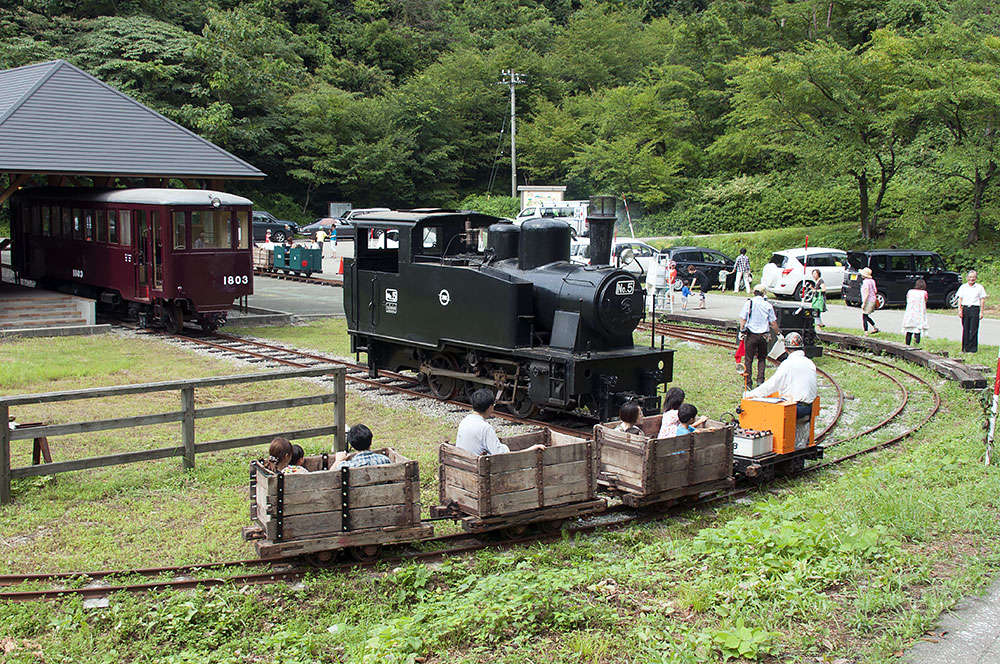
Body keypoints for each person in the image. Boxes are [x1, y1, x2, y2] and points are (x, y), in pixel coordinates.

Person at [745, 332, 817, 420]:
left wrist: (751, 394)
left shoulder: (788, 364)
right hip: (810, 406)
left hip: (796, 407)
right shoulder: (810, 363)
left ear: (785, 349)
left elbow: (772, 385)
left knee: (761, 413)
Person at [456, 389, 545, 455]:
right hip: (478, 469)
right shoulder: (485, 428)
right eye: (493, 405)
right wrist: (531, 449)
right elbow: (501, 455)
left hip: (466, 463)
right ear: (490, 407)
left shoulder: (464, 421)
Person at [739, 285, 781, 389]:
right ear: (763, 293)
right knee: (762, 358)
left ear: (754, 292)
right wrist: (778, 334)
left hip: (751, 335)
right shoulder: (767, 305)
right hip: (764, 335)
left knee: (748, 359)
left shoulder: (749, 303)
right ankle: (760, 381)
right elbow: (773, 322)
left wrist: (741, 330)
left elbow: (743, 319)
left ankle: (748, 382)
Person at [957, 270, 987, 353]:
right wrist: (960, 310)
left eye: (973, 277)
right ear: (967, 278)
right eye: (970, 277)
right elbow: (960, 299)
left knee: (973, 329)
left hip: (975, 309)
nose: (971, 279)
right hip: (966, 308)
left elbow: (982, 300)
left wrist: (981, 312)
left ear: (976, 278)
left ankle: (973, 349)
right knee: (965, 329)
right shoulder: (963, 287)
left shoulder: (979, 287)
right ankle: (964, 349)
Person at [901, 279, 929, 346]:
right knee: (917, 330)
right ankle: (916, 345)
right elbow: (925, 300)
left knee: (909, 330)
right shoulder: (924, 293)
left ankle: (907, 345)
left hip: (910, 313)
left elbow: (907, 299)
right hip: (919, 313)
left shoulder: (910, 292)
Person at [860, 267, 880, 335]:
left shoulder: (865, 282)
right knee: (866, 315)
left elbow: (866, 293)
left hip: (868, 301)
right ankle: (875, 328)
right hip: (873, 300)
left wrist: (864, 303)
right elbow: (875, 291)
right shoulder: (872, 281)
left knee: (864, 316)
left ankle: (866, 332)